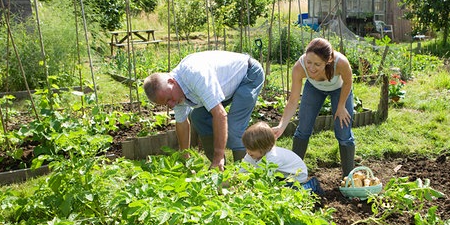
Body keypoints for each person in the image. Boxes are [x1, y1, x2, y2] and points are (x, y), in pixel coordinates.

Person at [143, 51, 264, 171]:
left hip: (248, 75)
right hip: (226, 86)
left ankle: (244, 173)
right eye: (166, 103)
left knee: (234, 128)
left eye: (169, 99)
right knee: (198, 117)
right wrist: (185, 159)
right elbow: (182, 123)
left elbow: (220, 115)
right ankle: (219, 170)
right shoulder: (173, 93)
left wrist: (219, 155)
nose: (171, 104)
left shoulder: (195, 75)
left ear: (171, 81)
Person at [272, 37, 355, 178]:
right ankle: (294, 172)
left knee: (343, 131)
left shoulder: (340, 62)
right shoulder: (299, 67)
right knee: (303, 128)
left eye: (317, 64)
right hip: (314, 88)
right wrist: (281, 125)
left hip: (339, 89)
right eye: (308, 62)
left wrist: (341, 106)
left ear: (328, 61)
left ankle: (349, 177)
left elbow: (348, 82)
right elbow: (293, 101)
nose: (311, 67)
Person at [241, 121, 323, 194]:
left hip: (296, 175)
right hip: (282, 174)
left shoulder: (273, 157)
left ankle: (311, 185)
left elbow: (264, 180)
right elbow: (243, 169)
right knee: (276, 187)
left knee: (289, 194)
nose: (248, 151)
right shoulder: (252, 154)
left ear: (263, 148)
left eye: (251, 149)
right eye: (246, 147)